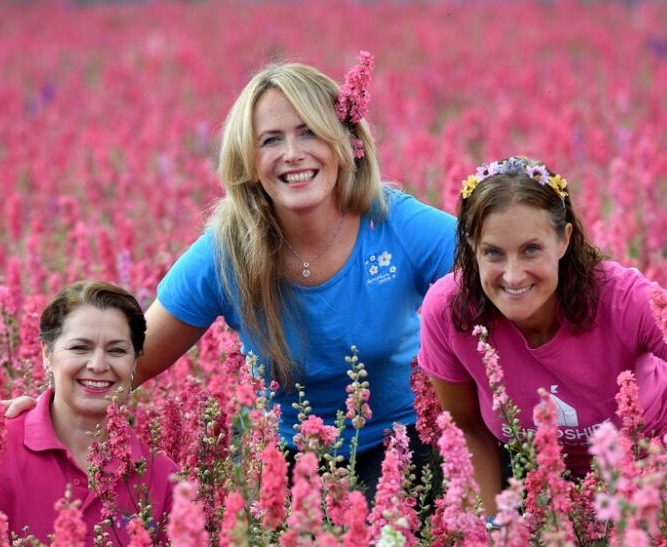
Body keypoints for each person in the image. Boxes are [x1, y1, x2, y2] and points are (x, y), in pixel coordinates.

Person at [135, 56, 456, 489]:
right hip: (285, 456)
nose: (292, 154)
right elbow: (135, 359)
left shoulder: (394, 222)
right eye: (270, 140)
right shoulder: (227, 249)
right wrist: (46, 405)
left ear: (345, 143)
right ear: (248, 162)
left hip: (402, 444)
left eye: (309, 132)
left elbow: (497, 277)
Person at [418, 156, 667, 514]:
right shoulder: (449, 311)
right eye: (493, 253)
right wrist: (490, 528)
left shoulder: (623, 299)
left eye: (531, 249)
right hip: (549, 485)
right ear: (471, 247)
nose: (513, 276)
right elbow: (467, 427)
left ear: (563, 240)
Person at [0, 281, 179, 547]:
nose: (97, 365)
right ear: (47, 356)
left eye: (117, 351)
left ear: (134, 363)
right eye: (80, 348)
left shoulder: (161, 477)